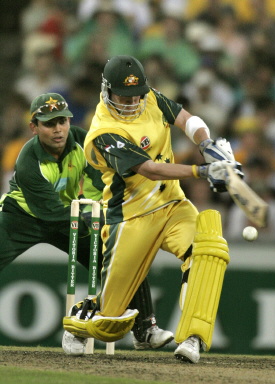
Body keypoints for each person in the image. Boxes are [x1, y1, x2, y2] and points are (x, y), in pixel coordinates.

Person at [63, 55, 243, 363]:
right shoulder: (103, 131)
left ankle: (192, 338)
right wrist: (203, 172)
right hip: (131, 218)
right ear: (107, 91)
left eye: (137, 94)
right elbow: (150, 169)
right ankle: (79, 321)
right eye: (124, 95)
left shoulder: (151, 98)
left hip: (173, 205)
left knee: (206, 251)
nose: (133, 101)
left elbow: (188, 119)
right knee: (110, 323)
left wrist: (207, 144)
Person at [0, 92, 173, 354]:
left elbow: (100, 184)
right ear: (33, 127)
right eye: (49, 124)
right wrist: (89, 219)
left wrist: (103, 218)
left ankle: (145, 329)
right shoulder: (28, 160)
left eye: (62, 121)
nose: (58, 130)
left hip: (71, 212)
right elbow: (50, 211)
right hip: (21, 217)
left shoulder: (84, 141)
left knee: (125, 254)